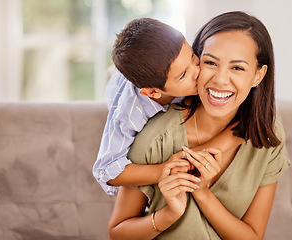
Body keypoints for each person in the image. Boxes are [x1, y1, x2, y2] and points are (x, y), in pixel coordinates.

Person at [108, 11, 290, 239]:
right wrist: (169, 215)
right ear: (196, 58)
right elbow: (117, 233)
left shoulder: (267, 136)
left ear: (258, 75)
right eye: (210, 62)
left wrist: (202, 193)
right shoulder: (154, 138)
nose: (220, 79)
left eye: (237, 68)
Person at [93, 18, 244, 195]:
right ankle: (112, 73)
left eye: (194, 58)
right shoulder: (129, 114)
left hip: (154, 79)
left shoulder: (187, 72)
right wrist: (163, 170)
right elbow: (106, 171)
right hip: (117, 87)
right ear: (153, 93)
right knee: (116, 79)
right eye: (183, 75)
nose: (198, 73)